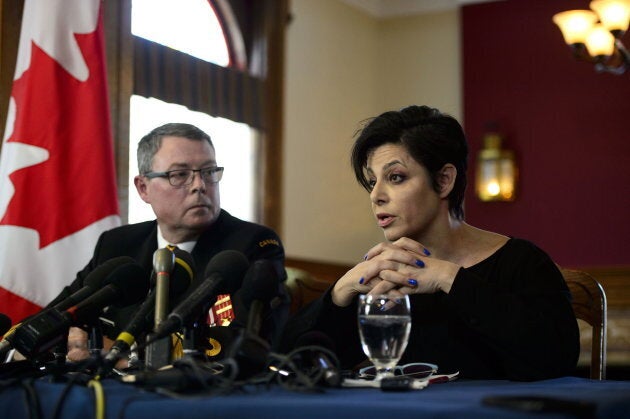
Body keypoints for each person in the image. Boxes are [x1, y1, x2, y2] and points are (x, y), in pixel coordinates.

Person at [281, 105, 579, 381]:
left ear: (444, 180)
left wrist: (448, 277)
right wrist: (340, 292)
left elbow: (556, 360)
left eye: (395, 177)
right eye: (373, 182)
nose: (376, 196)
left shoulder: (523, 262)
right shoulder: (382, 276)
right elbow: (289, 368)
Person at [47, 122, 287, 362]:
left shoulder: (250, 246)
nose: (199, 186)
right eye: (180, 175)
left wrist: (117, 355)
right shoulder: (117, 244)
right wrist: (69, 337)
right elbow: (53, 319)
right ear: (143, 188)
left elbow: (236, 347)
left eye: (209, 172)